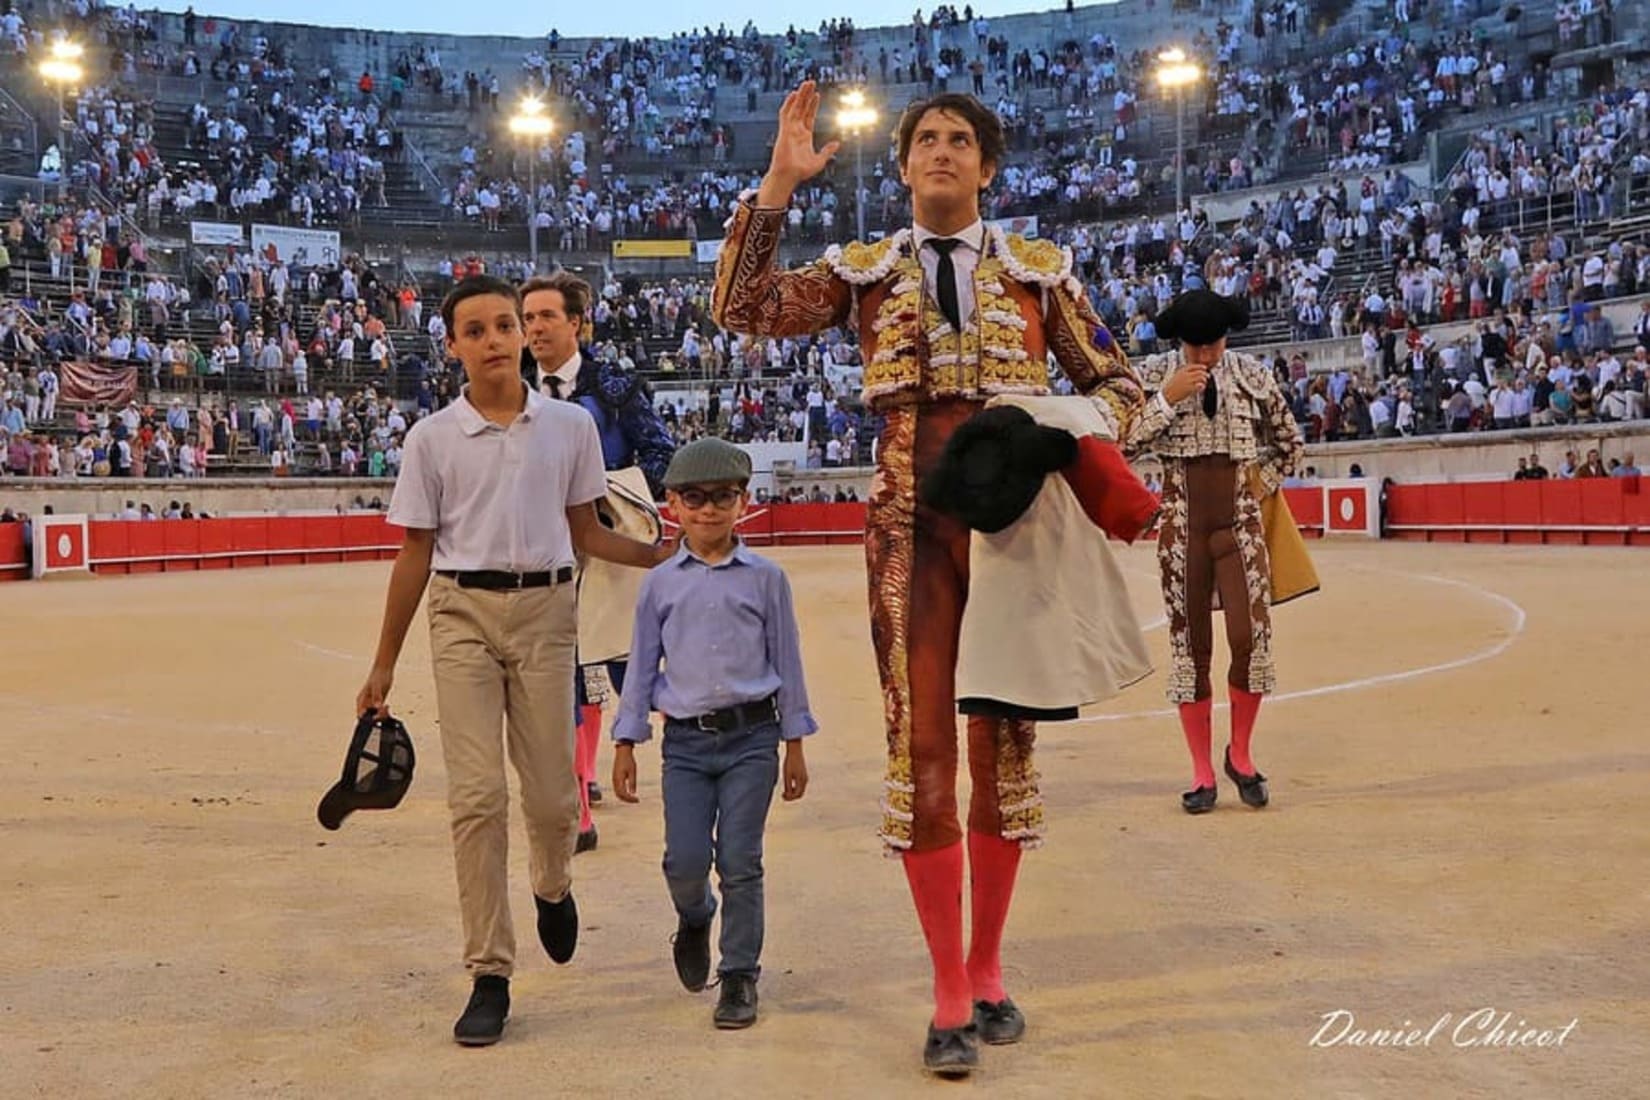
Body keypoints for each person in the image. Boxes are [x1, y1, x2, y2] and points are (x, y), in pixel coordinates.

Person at [711, 83, 1144, 1076]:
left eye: (960, 140)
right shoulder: (862, 273)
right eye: (925, 141)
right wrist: (780, 180)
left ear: (987, 168)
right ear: (903, 168)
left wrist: (1060, 437)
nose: (942, 151)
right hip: (911, 531)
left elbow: (1117, 384)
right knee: (924, 747)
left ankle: (987, 965)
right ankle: (950, 988)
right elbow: (742, 305)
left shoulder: (1039, 277)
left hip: (1013, 533)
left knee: (1005, 749)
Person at [355, 275, 674, 1048]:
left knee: (553, 799)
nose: (497, 339)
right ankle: (489, 971)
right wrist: (382, 665)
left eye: (507, 325)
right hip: (459, 612)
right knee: (475, 799)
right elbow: (414, 554)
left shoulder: (569, 428)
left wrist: (661, 556)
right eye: (479, 329)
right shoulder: (430, 438)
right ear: (456, 345)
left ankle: (552, 883)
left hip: (546, 611)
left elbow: (588, 533)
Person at [610, 438, 815, 1030]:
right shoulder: (660, 584)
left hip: (754, 738)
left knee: (742, 860)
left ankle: (740, 975)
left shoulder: (767, 579)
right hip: (687, 745)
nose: (708, 511)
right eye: (695, 499)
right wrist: (626, 742)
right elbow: (642, 664)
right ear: (672, 504)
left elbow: (789, 661)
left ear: (742, 501)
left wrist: (795, 741)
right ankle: (696, 914)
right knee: (685, 859)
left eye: (722, 497)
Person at [1124, 289, 1305, 814]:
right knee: (1192, 648)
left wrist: (1258, 486)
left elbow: (1290, 443)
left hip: (1239, 523)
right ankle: (1202, 772)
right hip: (1180, 526)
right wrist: (1166, 400)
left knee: (1250, 639)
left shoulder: (1251, 374)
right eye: (1196, 346)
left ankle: (1240, 755)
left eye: (1216, 344)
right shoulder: (1156, 376)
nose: (1206, 356)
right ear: (1180, 342)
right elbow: (1122, 445)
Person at [520, 271, 676, 853]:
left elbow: (659, 453)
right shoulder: (510, 386)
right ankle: (578, 810)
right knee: (558, 675)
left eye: (545, 317)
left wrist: (613, 491)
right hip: (537, 549)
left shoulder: (615, 387)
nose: (533, 328)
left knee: (624, 670)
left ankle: (695, 759)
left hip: (610, 549)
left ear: (577, 324)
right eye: (527, 318)